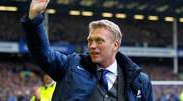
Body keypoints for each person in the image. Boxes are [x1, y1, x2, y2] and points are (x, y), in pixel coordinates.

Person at [21, 0, 154, 100]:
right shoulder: (71, 65)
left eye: (99, 41)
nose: (92, 45)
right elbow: (42, 54)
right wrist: (35, 17)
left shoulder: (140, 81)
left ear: (115, 45)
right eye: (90, 40)